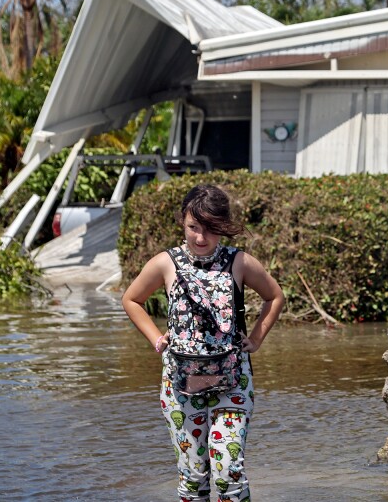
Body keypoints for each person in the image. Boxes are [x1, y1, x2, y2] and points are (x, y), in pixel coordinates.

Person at [120, 184, 285, 502]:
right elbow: (132, 299)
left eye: (210, 229)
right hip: (180, 383)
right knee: (194, 478)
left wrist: (257, 339)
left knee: (228, 474)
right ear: (183, 221)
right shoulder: (165, 263)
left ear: (222, 227)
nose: (200, 237)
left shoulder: (239, 262)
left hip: (233, 381)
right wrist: (157, 338)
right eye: (194, 227)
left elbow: (274, 296)